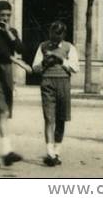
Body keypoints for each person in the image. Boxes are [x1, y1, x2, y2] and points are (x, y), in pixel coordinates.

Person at [0, 0, 29, 168]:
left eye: (8, 15)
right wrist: (17, 61)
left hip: (7, 74)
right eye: (2, 15)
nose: (5, 18)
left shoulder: (12, 31)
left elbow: (21, 48)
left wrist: (9, 33)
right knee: (2, 111)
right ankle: (7, 151)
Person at [32, 21, 80, 166]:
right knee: (49, 118)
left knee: (61, 118)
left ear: (63, 35)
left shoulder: (69, 47)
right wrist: (45, 62)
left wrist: (61, 59)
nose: (54, 40)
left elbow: (75, 68)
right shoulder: (43, 46)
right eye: (52, 36)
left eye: (58, 37)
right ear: (50, 33)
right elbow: (35, 68)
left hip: (63, 83)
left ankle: (56, 151)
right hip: (47, 83)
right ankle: (49, 153)